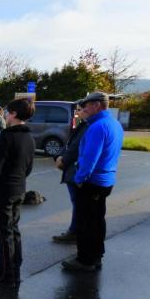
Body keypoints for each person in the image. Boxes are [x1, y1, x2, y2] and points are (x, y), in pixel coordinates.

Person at [62, 92, 124, 272]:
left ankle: (85, 260)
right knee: (97, 220)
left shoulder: (97, 127)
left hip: (92, 181)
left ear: (97, 105)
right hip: (106, 180)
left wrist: (79, 179)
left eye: (87, 105)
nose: (85, 108)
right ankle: (96, 255)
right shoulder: (114, 123)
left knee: (85, 222)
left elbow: (90, 158)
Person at [0, 98, 36, 289]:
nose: (4, 114)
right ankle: (13, 270)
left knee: (3, 234)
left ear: (12, 114)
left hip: (3, 191)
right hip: (19, 188)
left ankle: (6, 276)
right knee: (13, 231)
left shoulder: (7, 136)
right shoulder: (29, 137)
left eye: (7, 111)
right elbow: (28, 167)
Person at [52, 104, 89, 243]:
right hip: (72, 169)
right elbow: (68, 144)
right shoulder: (79, 125)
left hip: (76, 170)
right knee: (77, 203)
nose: (76, 112)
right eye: (75, 110)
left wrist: (63, 160)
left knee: (78, 203)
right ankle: (75, 230)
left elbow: (75, 148)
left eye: (79, 110)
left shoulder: (87, 127)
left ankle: (75, 231)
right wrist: (58, 156)